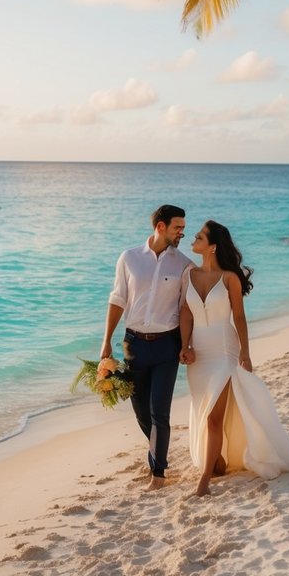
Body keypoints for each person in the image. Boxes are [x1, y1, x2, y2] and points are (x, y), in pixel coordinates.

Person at [180, 220, 289, 496]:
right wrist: (185, 346)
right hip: (199, 355)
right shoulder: (188, 274)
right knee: (204, 411)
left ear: (212, 247)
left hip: (224, 351)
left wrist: (245, 353)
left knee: (213, 417)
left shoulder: (230, 279)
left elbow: (240, 317)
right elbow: (186, 313)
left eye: (198, 237)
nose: (193, 239)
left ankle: (204, 483)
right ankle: (217, 460)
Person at [101, 204, 192, 490]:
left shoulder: (184, 264)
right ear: (160, 226)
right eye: (178, 227)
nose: (182, 232)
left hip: (167, 345)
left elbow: (187, 308)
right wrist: (106, 342)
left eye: (184, 228)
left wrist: (188, 344)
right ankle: (157, 453)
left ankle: (159, 474)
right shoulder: (129, 258)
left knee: (159, 412)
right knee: (141, 412)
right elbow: (118, 300)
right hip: (134, 345)